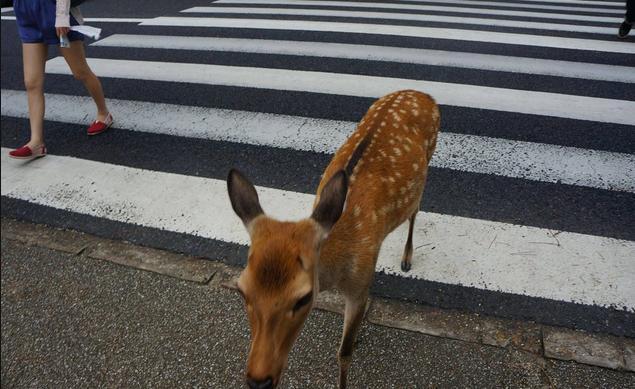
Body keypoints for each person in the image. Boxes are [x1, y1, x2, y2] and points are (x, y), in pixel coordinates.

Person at [9, 0, 113, 160]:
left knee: (80, 72)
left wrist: (62, 16)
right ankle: (36, 142)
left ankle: (103, 113)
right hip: (26, 13)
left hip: (54, 11)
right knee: (32, 82)